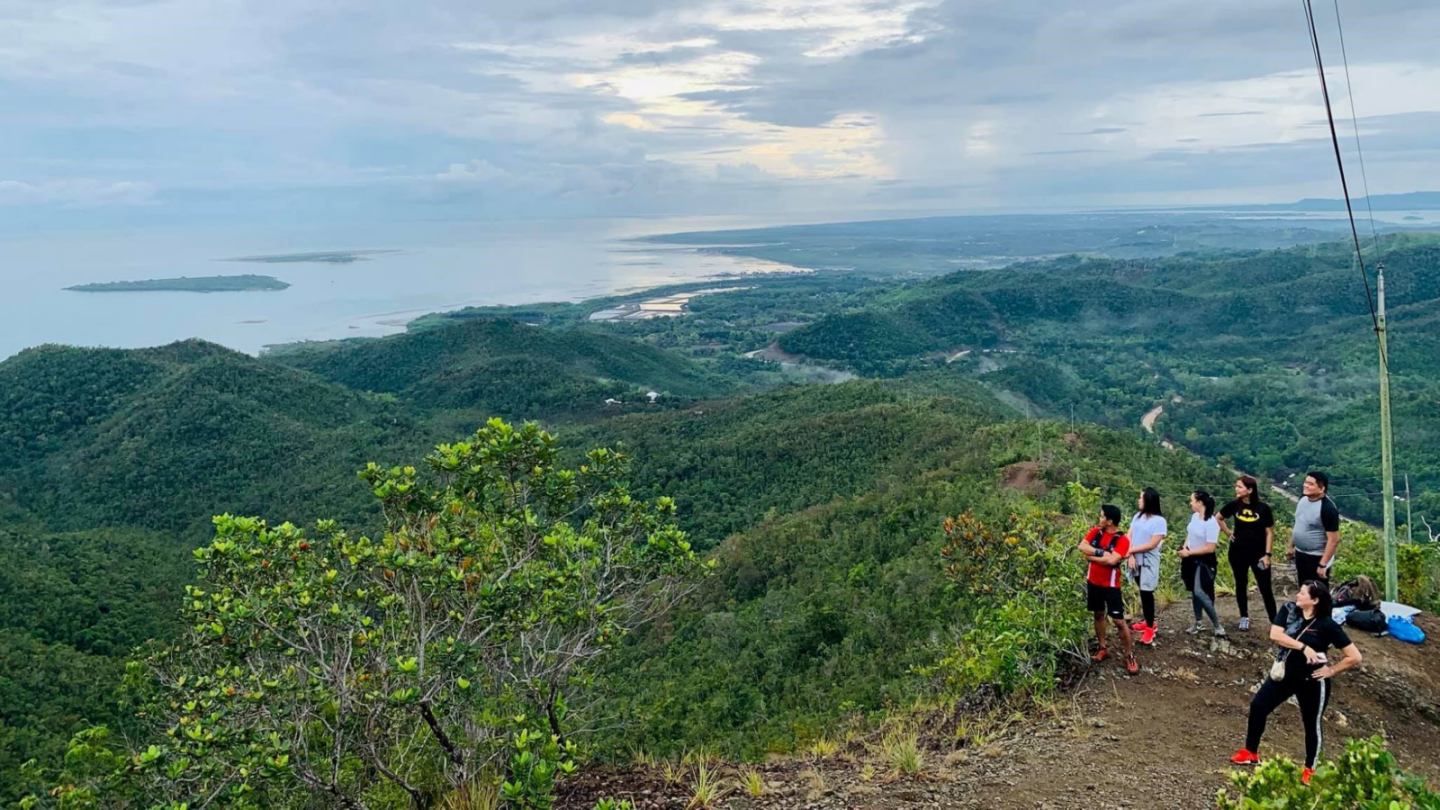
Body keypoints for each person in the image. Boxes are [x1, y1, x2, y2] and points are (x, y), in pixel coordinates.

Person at [1230, 581, 1363, 784]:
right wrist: (1303, 648)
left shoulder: (1326, 624)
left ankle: (1310, 768)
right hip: (1286, 675)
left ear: (1315, 600)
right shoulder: (1289, 610)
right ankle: (1251, 752)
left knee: (1311, 724)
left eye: (1302, 593)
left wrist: (1331, 670)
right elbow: (1275, 634)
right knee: (1258, 706)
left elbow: (1354, 656)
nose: (1297, 596)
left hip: (1313, 680)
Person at [1078, 504, 1139, 675]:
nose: (1099, 518)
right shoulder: (1095, 532)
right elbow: (1082, 547)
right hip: (1093, 581)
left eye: (1102, 516)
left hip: (1111, 585)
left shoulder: (1122, 540)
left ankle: (1129, 656)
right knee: (1098, 614)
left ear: (1110, 521)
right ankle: (1103, 647)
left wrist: (1092, 556)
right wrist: (1102, 554)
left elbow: (1113, 561)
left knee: (1119, 621)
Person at [1218, 476, 1278, 630]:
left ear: (1250, 490)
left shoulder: (1263, 508)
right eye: (1236, 486)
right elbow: (1218, 518)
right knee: (1240, 584)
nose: (1236, 489)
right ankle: (1244, 616)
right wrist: (1228, 532)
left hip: (1258, 554)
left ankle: (1275, 620)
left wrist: (1268, 554)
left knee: (1265, 587)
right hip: (1237, 552)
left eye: (1239, 487)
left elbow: (1269, 532)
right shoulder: (1234, 505)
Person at [1179, 490, 1224, 636]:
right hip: (1190, 558)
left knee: (1200, 591)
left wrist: (1189, 552)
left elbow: (1210, 548)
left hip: (1204, 561)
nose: (1190, 503)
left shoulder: (1211, 523)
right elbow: (1190, 534)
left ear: (1200, 503)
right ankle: (1198, 622)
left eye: (1192, 500)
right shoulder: (1194, 517)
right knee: (1194, 591)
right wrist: (1185, 547)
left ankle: (1217, 625)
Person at [1126, 487, 1167, 646]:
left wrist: (1130, 551)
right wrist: (1130, 554)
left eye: (1141, 498)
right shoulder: (1138, 516)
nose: (1138, 500)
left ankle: (1150, 627)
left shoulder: (1159, 521)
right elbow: (1129, 535)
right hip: (1135, 558)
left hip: (1148, 560)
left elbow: (1152, 544)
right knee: (1141, 590)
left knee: (1146, 591)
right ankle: (1148, 620)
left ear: (1148, 500)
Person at [1289, 471, 1341, 585]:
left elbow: (1334, 540)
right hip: (1300, 553)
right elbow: (1298, 524)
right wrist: (1291, 546)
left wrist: (1323, 564)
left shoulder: (1327, 509)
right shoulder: (1303, 499)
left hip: (1316, 557)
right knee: (1303, 586)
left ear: (1322, 489)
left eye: (1310, 484)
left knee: (1318, 590)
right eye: (1305, 482)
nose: (1305, 485)